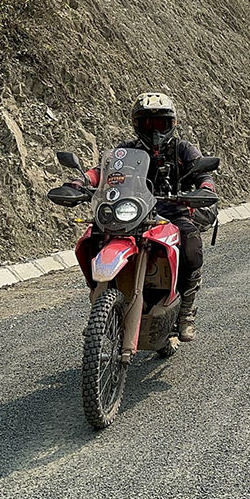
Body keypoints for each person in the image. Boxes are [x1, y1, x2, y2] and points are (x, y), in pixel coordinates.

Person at [65, 92, 216, 342]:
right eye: (148, 123)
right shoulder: (127, 150)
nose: (154, 130)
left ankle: (186, 312)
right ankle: (100, 311)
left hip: (170, 213)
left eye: (160, 123)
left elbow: (202, 172)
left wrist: (205, 188)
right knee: (93, 239)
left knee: (191, 246)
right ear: (137, 124)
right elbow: (102, 170)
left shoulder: (182, 148)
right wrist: (80, 182)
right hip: (131, 213)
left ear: (172, 124)